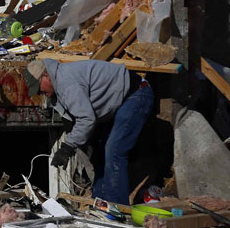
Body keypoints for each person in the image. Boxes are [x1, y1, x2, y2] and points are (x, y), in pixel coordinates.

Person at [23, 58, 154, 204]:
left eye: (39, 87)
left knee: (114, 150)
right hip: (120, 101)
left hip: (136, 94)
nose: (41, 93)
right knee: (100, 152)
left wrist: (67, 147)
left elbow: (86, 119)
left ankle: (117, 208)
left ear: (46, 75)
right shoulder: (59, 88)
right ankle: (99, 204)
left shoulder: (66, 83)